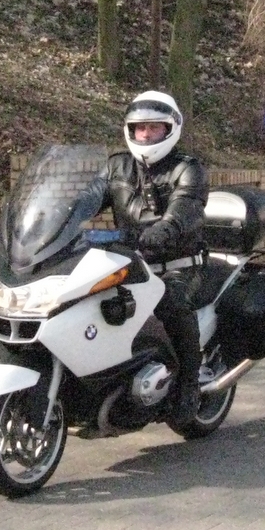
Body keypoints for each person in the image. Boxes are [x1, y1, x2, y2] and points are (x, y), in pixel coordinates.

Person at [87, 90, 208, 426]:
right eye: (139, 128)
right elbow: (85, 201)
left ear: (170, 128)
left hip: (178, 264)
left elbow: (186, 206)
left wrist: (166, 228)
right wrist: (53, 220)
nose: (145, 134)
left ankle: (189, 384)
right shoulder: (117, 166)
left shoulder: (188, 168)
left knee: (172, 303)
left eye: (154, 128)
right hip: (129, 263)